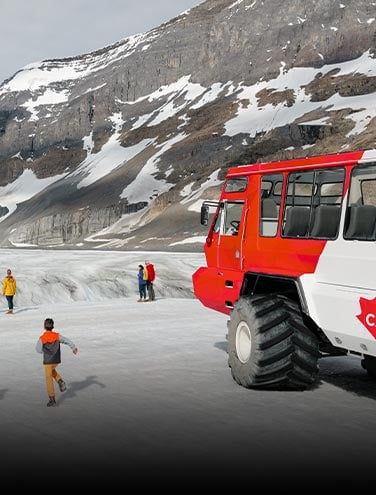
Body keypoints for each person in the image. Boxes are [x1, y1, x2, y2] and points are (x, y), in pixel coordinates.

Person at [36, 317, 78, 407]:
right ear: (53, 326)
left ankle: (52, 398)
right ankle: (60, 381)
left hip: (48, 361)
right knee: (52, 371)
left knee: (48, 379)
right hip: (56, 360)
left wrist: (45, 351)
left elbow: (38, 350)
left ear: (44, 327)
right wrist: (73, 347)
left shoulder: (42, 338)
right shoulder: (57, 336)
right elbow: (66, 340)